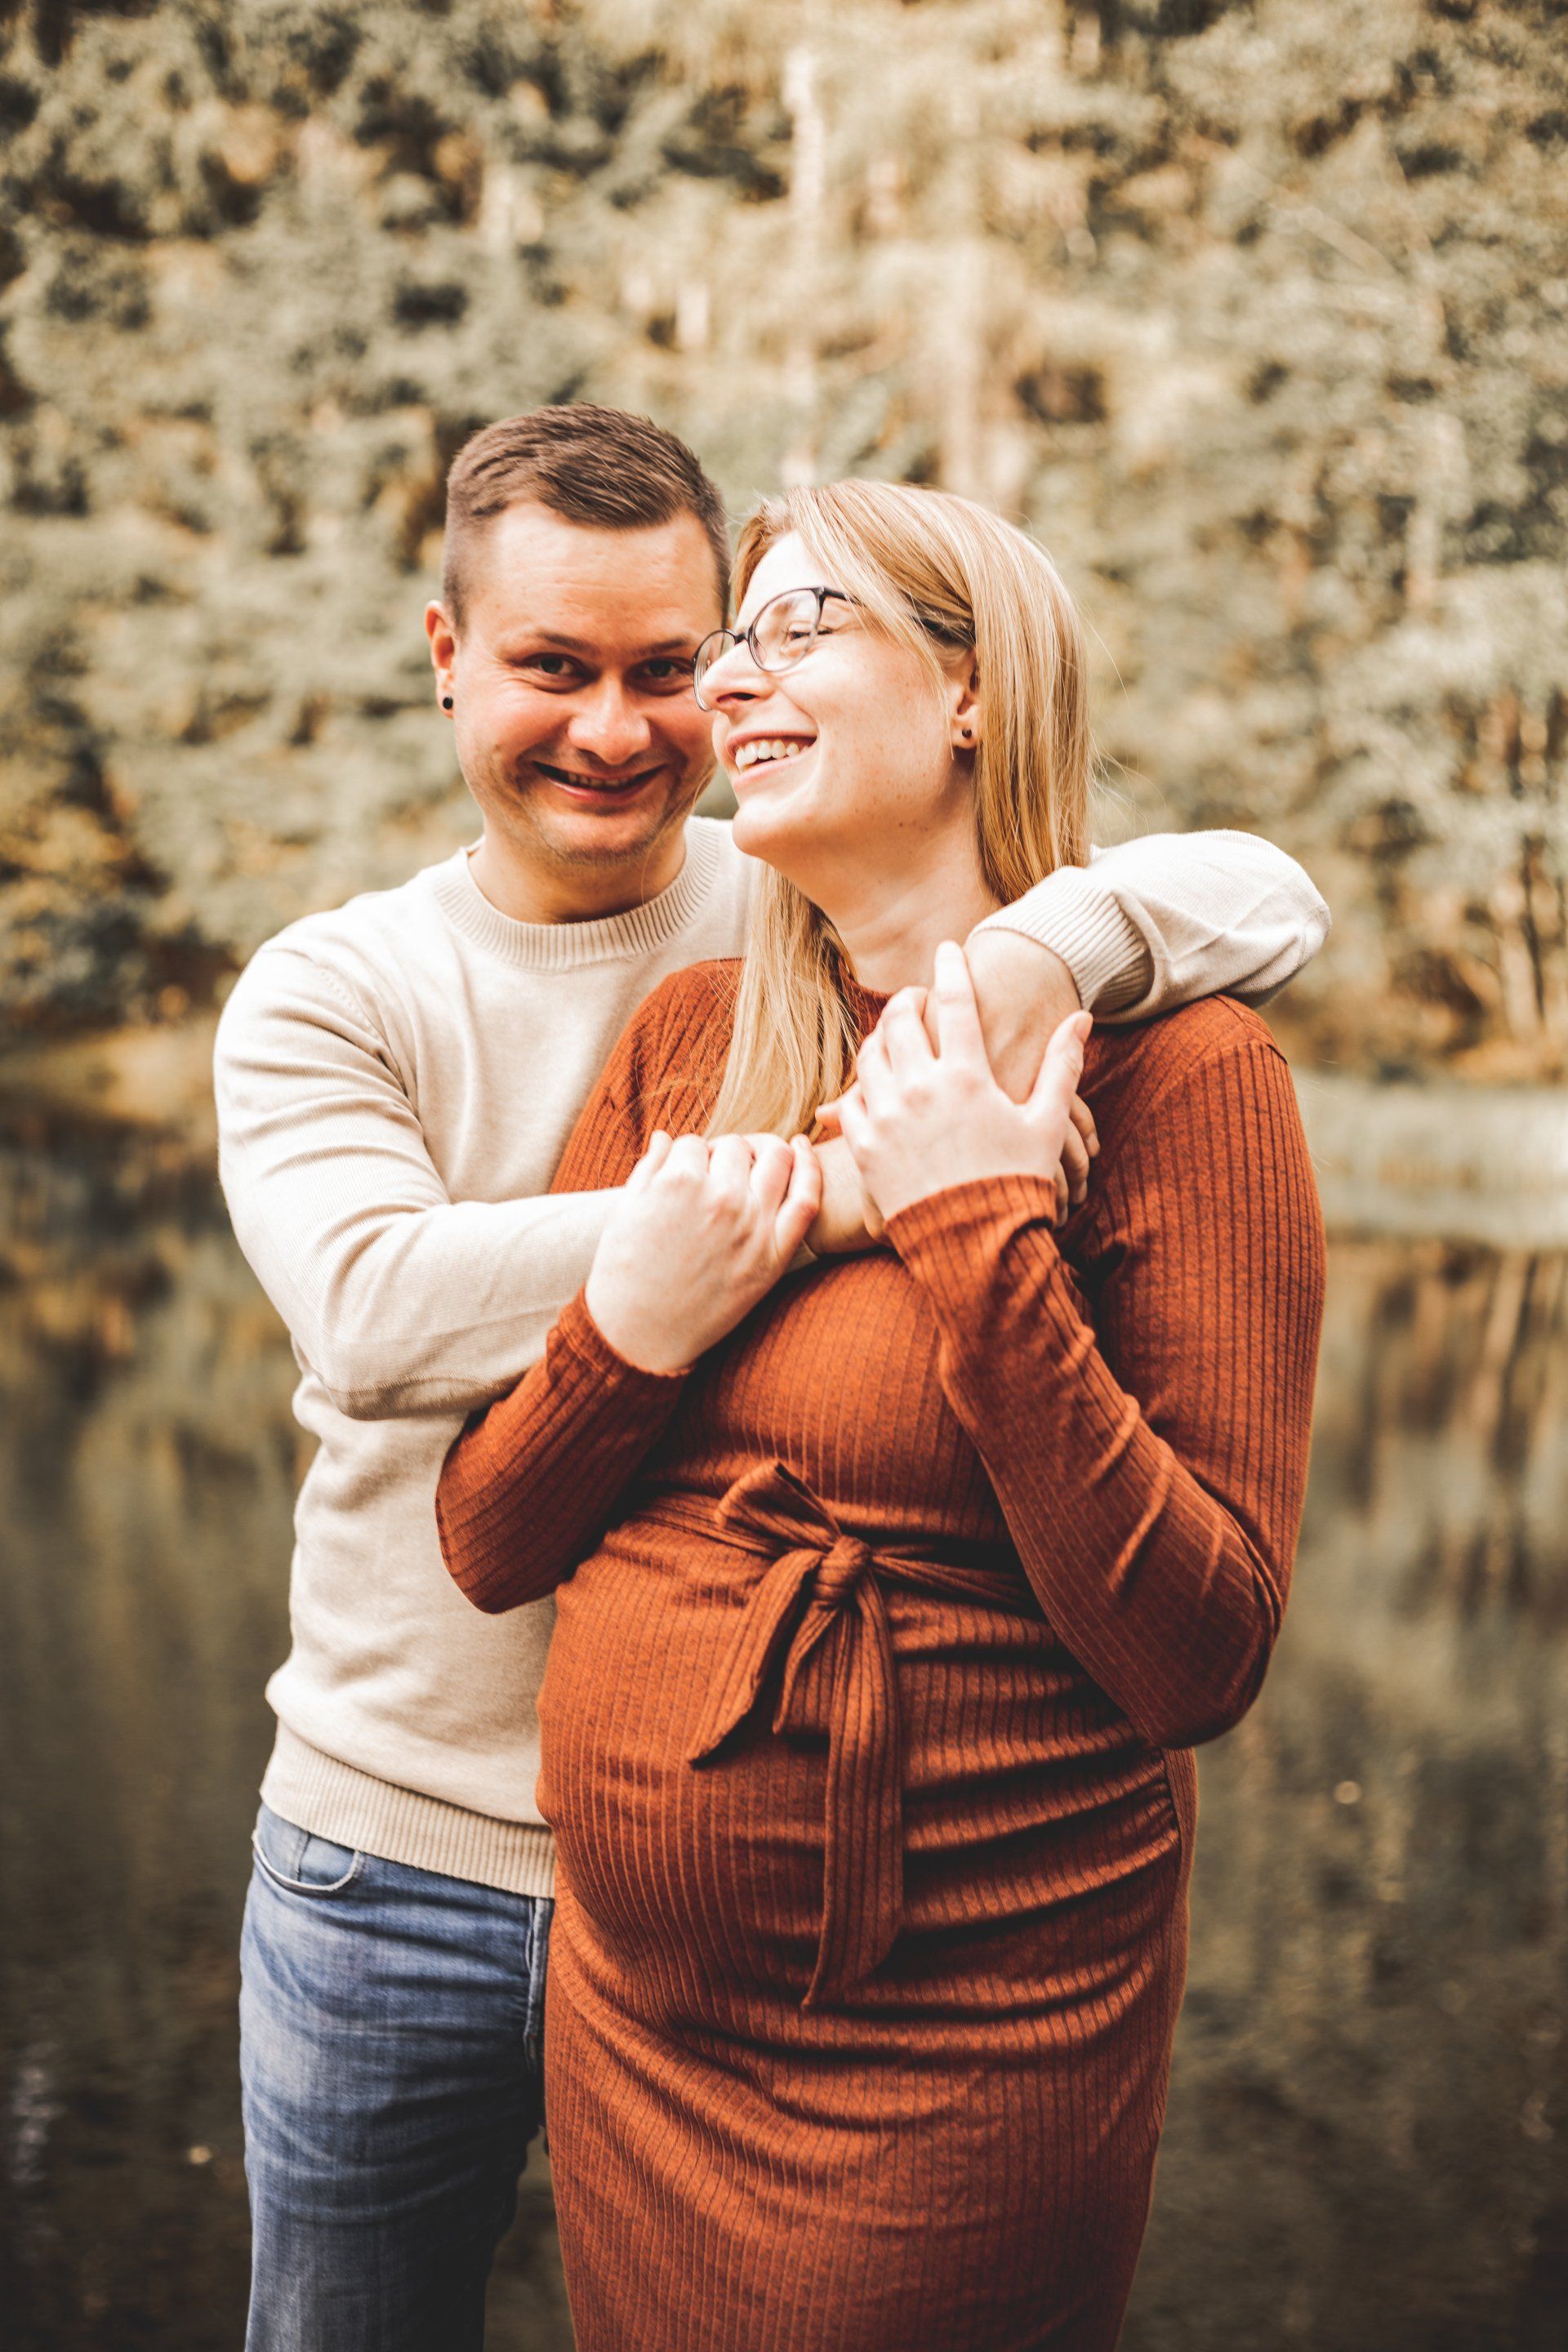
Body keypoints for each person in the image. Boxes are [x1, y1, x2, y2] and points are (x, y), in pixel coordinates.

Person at [215, 405, 1330, 2350]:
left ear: (968, 690)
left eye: (704, 652)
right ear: (448, 657)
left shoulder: (828, 915)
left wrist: (1038, 971)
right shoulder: (411, 994)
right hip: (400, 1858)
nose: (646, 716)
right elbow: (396, 1351)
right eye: (556, 667)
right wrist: (808, 1207)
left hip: (909, 2010)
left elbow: (1265, 893)